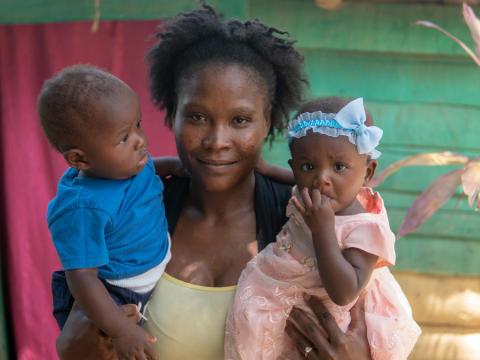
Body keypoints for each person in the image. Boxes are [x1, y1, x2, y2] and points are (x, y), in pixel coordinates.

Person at [55, 7, 374, 360]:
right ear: (171, 114)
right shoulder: (132, 211)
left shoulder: (311, 218)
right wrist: (74, 351)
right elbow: (86, 321)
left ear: (268, 121)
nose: (217, 140)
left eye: (240, 119)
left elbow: (371, 323)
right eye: (197, 117)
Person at [225, 97, 421, 359]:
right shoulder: (310, 192)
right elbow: (296, 182)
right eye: (308, 166)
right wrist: (263, 168)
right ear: (295, 169)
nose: (322, 179)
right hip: (283, 293)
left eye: (339, 167)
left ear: (368, 172)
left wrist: (323, 231)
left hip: (334, 315)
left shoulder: (365, 228)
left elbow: (344, 292)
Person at [38, 65, 173, 359]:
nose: (139, 140)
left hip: (146, 277)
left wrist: (176, 167)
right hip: (111, 294)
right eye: (124, 137)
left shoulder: (127, 163)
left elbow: (153, 168)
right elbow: (82, 278)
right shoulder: (83, 208)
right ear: (80, 159)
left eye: (138, 124)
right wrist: (120, 330)